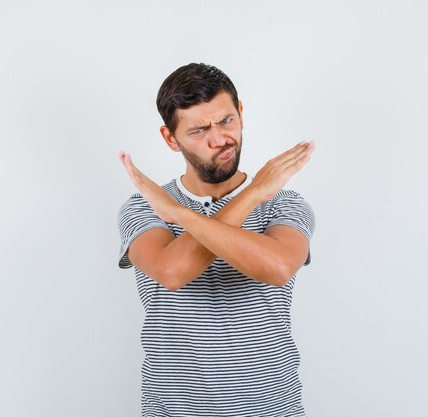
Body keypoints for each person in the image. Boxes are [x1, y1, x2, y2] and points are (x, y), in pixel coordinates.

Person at [117, 63, 316, 417]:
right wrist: (252, 193)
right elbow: (172, 271)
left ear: (240, 113)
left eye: (226, 121)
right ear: (170, 138)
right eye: (199, 130)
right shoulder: (144, 207)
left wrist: (182, 214)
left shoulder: (282, 203)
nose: (219, 139)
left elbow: (279, 268)